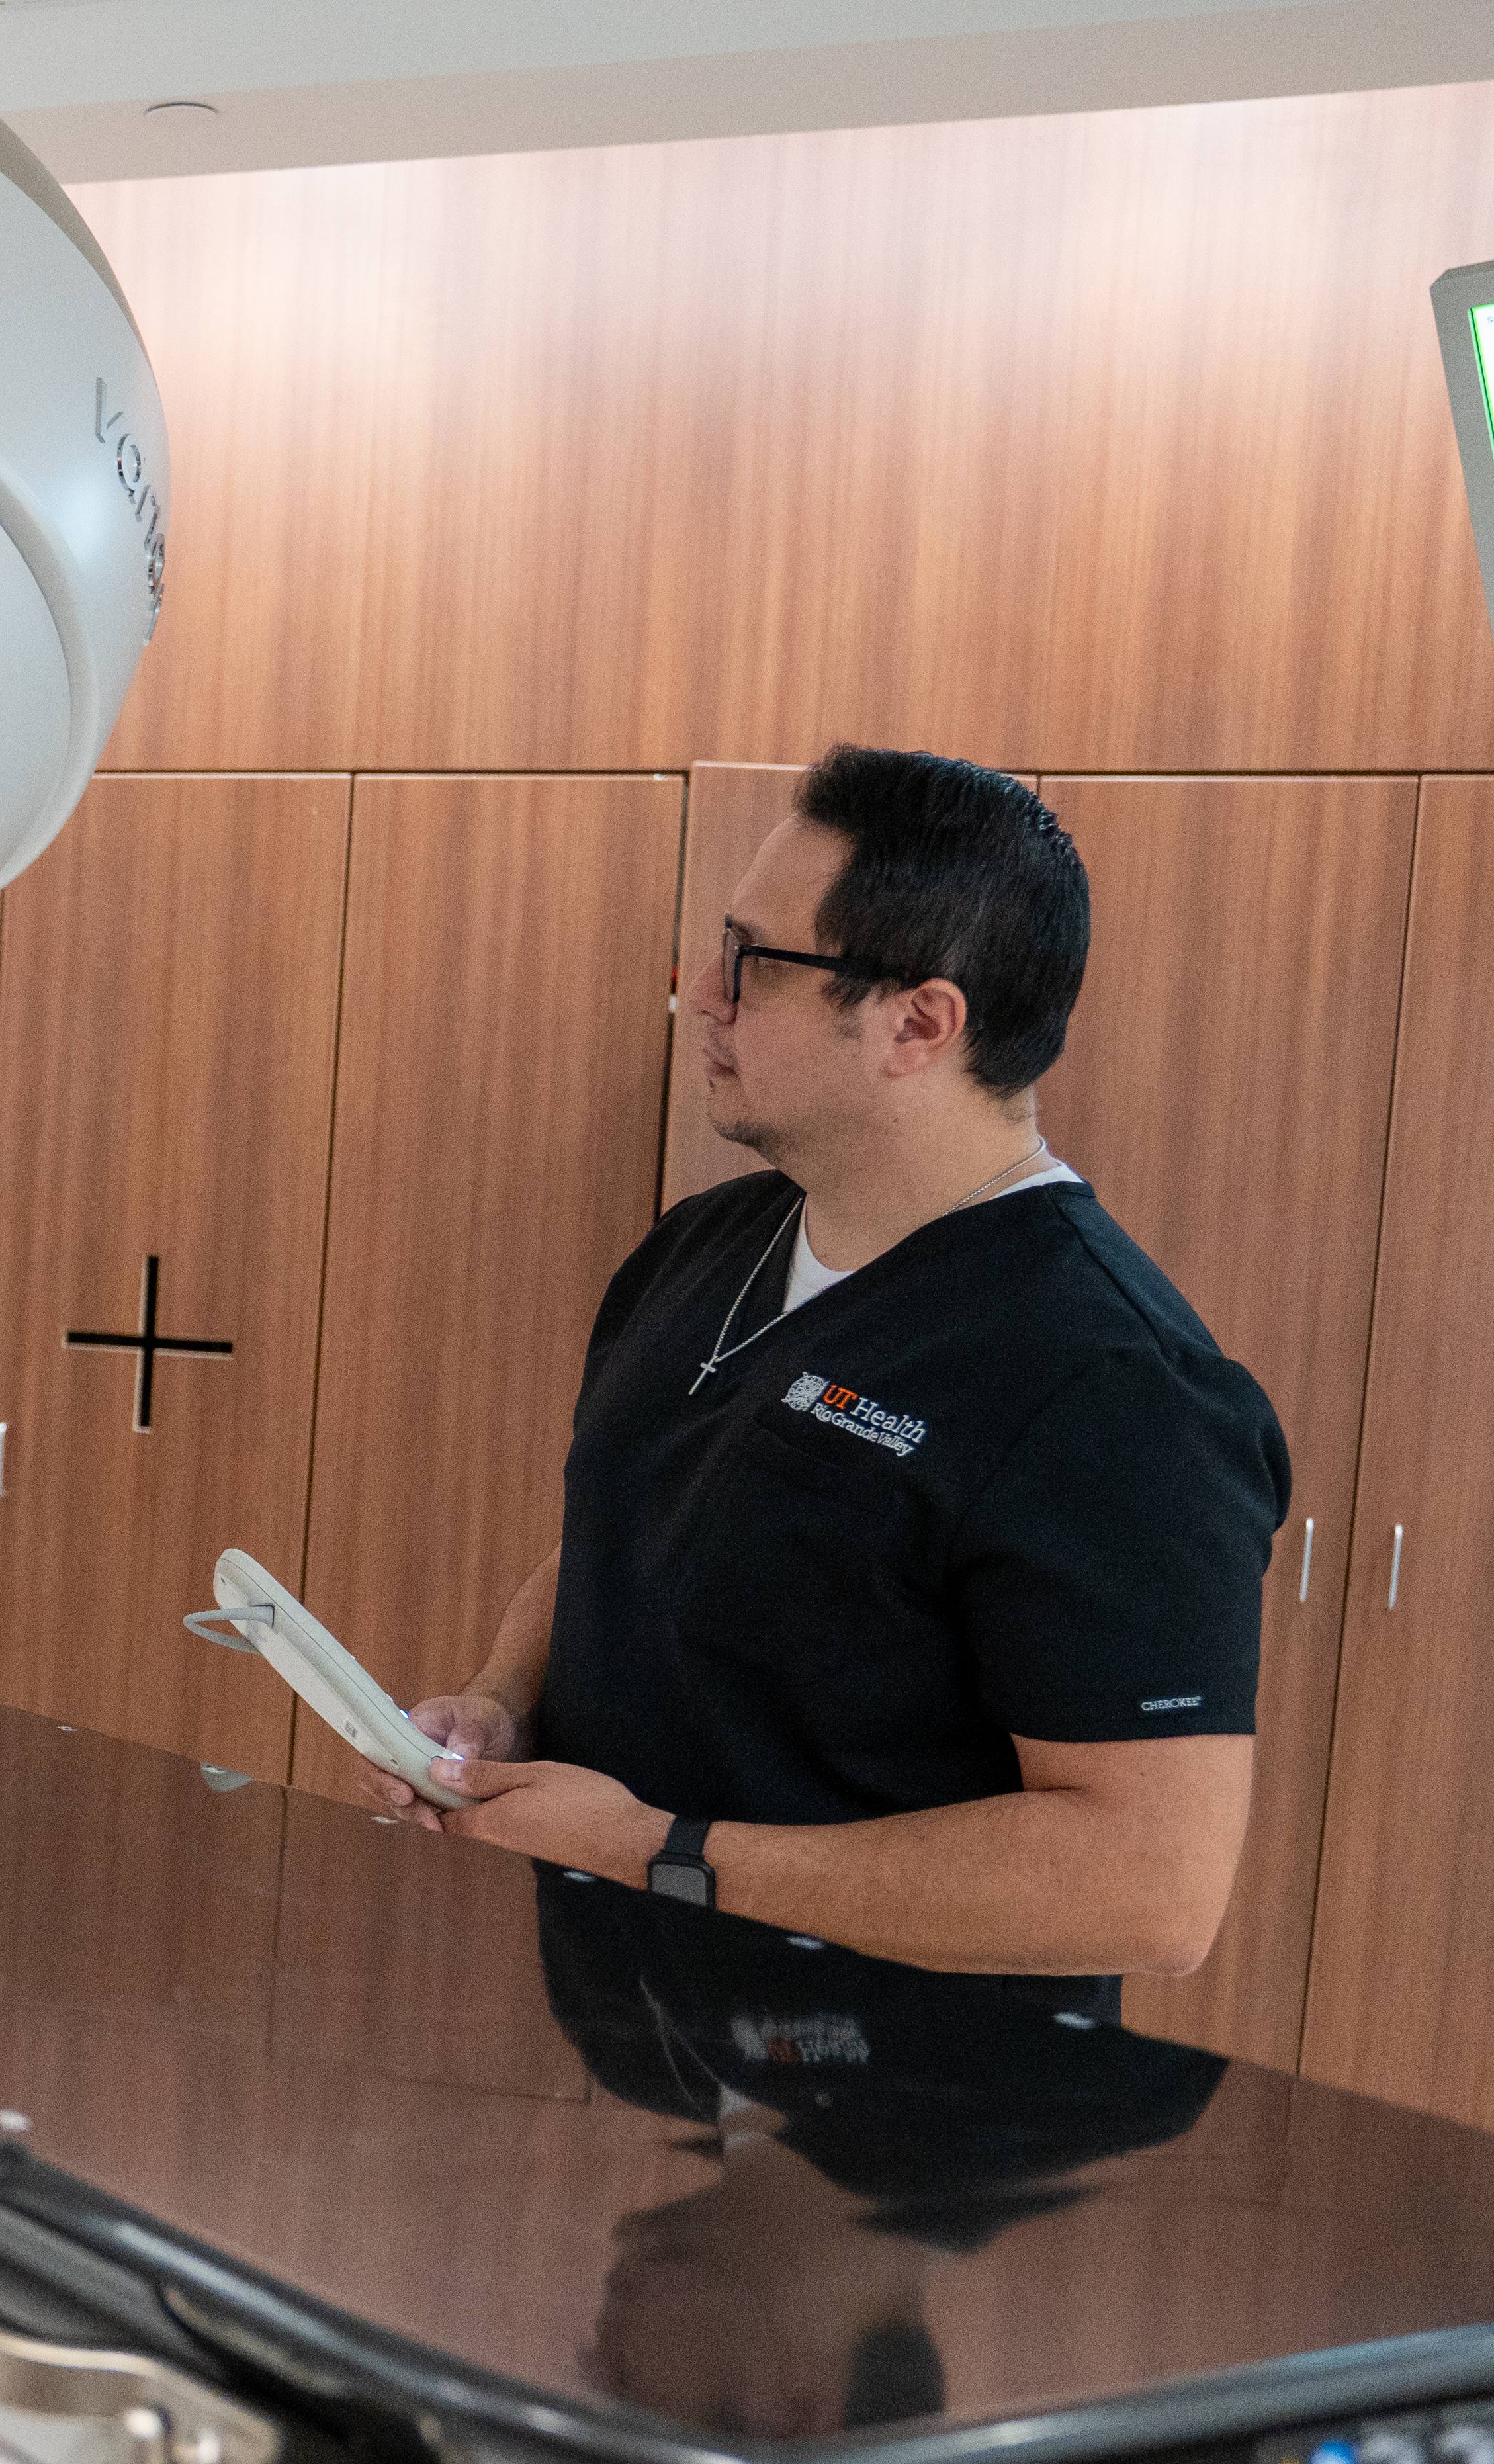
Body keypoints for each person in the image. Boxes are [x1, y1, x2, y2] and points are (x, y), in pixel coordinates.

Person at [350, 746, 1287, 1992]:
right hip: (640, 2040)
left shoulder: (1110, 1386)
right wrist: (499, 1703)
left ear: (918, 1023)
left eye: (752, 962)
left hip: (897, 2095)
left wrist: (656, 1853)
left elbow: (1147, 1890)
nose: (701, 996)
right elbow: (628, 1530)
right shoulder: (703, 1247)